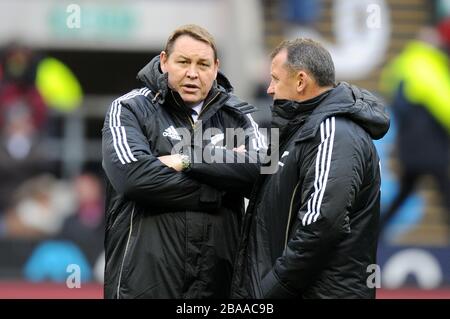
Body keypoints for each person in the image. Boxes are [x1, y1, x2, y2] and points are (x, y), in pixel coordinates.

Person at [102, 24, 263, 299]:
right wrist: (220, 185)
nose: (192, 73)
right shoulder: (129, 108)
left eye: (202, 64)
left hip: (217, 284)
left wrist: (187, 158)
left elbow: (262, 173)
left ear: (215, 67)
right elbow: (134, 177)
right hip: (144, 283)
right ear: (164, 61)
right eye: (183, 62)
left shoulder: (239, 116)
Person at [230, 38, 390, 299]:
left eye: (275, 79)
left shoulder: (334, 131)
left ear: (301, 81)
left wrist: (269, 291)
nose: (269, 89)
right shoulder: (303, 130)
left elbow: (322, 224)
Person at [378, 20, 450, 235]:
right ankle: (374, 235)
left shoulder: (405, 62)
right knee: (445, 194)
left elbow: (389, 86)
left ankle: (374, 236)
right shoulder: (426, 63)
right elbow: (444, 103)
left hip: (411, 146)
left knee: (404, 193)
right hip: (429, 147)